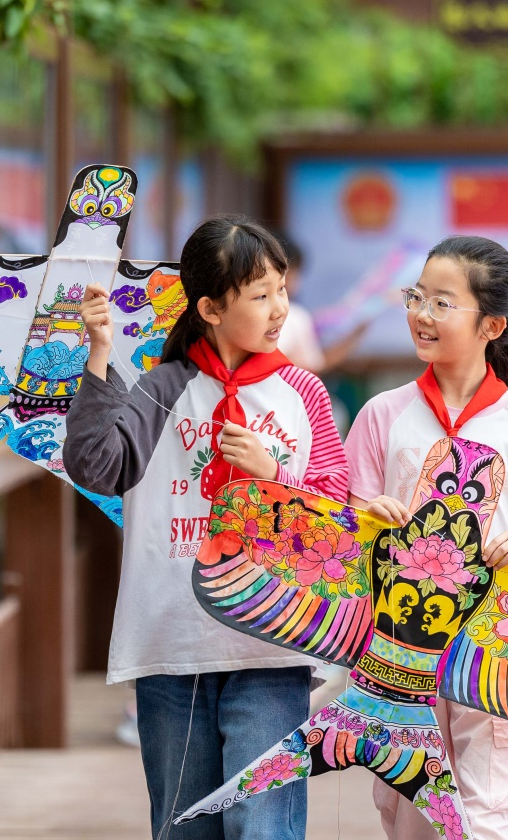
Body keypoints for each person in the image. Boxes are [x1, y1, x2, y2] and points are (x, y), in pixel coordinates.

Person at [65, 216, 349, 840]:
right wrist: (100, 354)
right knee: (181, 825)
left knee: (263, 824)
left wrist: (273, 475)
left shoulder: (302, 391)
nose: (280, 309)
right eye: (260, 295)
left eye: (281, 290)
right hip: (172, 642)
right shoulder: (160, 387)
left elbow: (335, 509)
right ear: (211, 309)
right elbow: (97, 467)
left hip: (272, 638)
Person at [343, 235, 508, 840]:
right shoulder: (380, 415)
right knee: (411, 815)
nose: (422, 314)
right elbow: (346, 541)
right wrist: (369, 524)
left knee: (492, 814)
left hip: (495, 648)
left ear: (491, 325)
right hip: (399, 648)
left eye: (442, 303)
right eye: (416, 297)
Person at [275, 232, 370, 374]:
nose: (297, 282)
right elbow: (313, 366)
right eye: (295, 275)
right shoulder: (295, 317)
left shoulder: (294, 317)